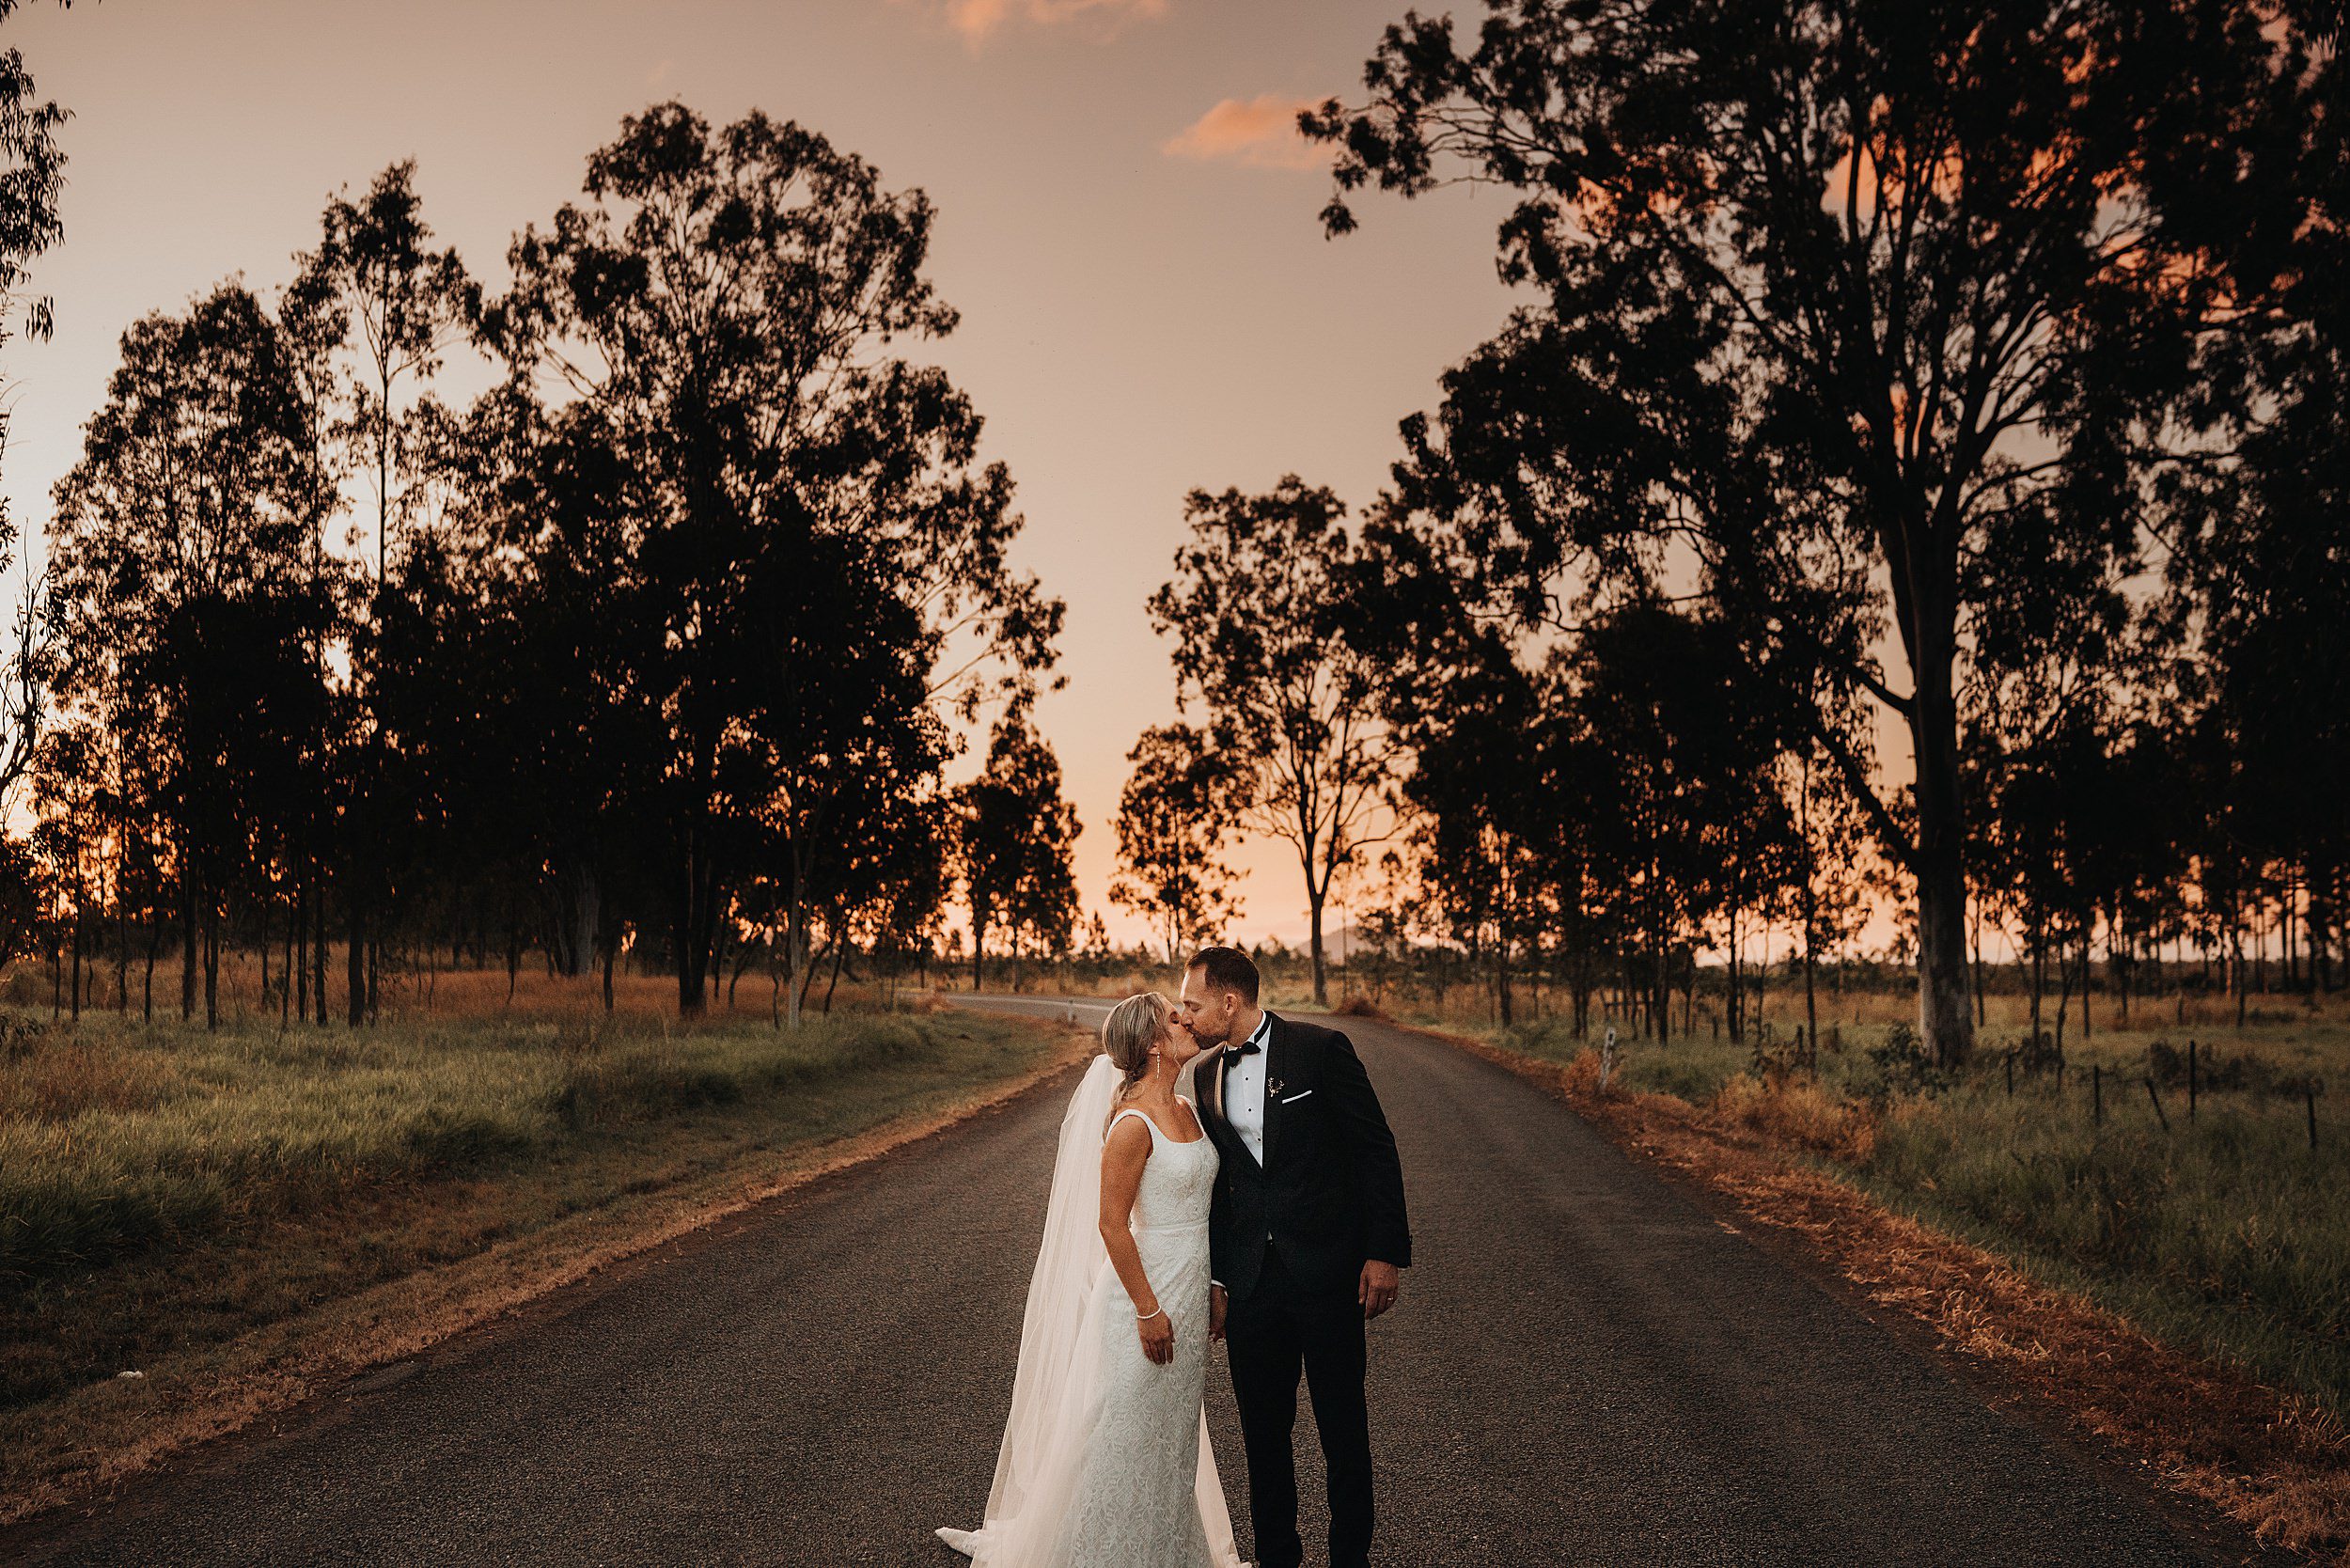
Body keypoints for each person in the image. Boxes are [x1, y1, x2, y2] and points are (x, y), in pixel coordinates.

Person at [938, 992, 1248, 1568]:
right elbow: (1111, 1225)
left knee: (1170, 1433)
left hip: (1189, 1285)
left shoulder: (1187, 1109)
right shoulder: (1132, 1124)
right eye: (1175, 1018)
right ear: (1153, 1044)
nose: (1187, 1022)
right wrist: (1148, 1310)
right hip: (1142, 1297)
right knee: (1121, 1432)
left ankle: (1162, 1550)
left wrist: (1215, 1284)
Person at [1179, 946, 1410, 1568]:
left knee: (1343, 1432)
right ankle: (1277, 1557)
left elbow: (1374, 1149)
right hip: (1253, 1286)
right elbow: (1223, 1188)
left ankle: (1350, 1559)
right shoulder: (1205, 1074)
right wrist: (1219, 1277)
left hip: (1329, 1275)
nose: (1185, 1016)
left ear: (1230, 1001)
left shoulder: (1320, 1049)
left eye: (1193, 1004)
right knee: (1262, 1438)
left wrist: (1384, 1252)